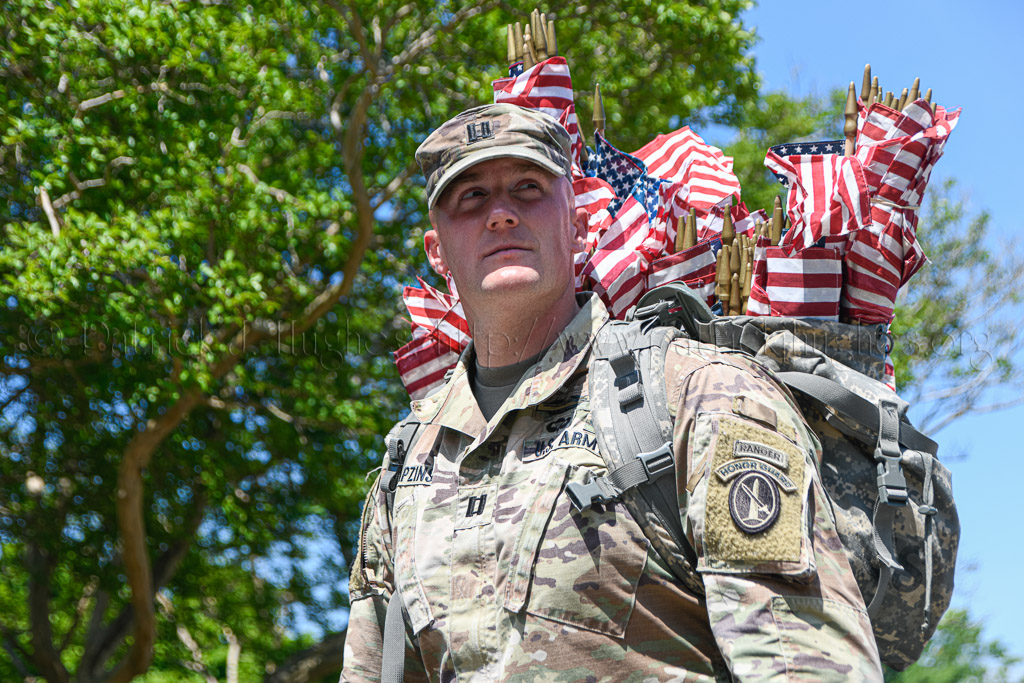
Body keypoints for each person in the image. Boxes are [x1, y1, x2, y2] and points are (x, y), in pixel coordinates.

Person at [341, 103, 883, 681]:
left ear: (577, 224)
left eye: (527, 187)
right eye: (470, 197)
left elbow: (804, 665)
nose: (500, 214)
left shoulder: (694, 395)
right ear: (437, 252)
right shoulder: (410, 462)